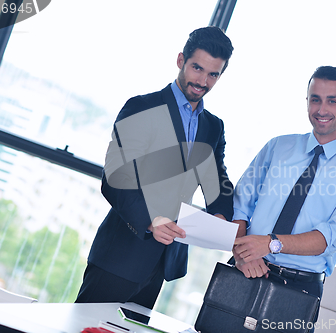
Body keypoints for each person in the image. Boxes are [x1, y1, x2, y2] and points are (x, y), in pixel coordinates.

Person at [75, 26, 234, 309]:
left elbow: (216, 180)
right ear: (180, 60)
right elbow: (114, 178)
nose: (202, 80)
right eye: (197, 68)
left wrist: (221, 215)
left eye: (213, 74)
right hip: (121, 254)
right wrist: (151, 219)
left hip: (163, 261)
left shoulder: (213, 127)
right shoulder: (141, 108)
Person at [231, 66, 336, 329]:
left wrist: (270, 244)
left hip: (298, 289)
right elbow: (239, 206)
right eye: (315, 99)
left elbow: (327, 238)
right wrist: (242, 252)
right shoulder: (278, 146)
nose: (322, 109)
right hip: (246, 268)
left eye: (333, 101)